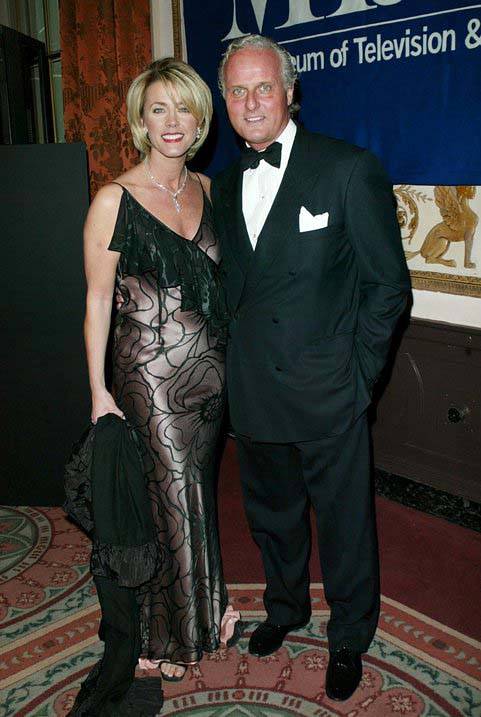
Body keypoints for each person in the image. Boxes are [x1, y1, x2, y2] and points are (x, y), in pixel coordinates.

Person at [212, 34, 411, 702]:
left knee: (344, 523)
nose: (250, 103)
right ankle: (285, 606)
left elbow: (387, 287)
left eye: (263, 87)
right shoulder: (224, 184)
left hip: (329, 389)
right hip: (254, 389)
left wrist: (359, 377)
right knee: (272, 516)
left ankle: (349, 633)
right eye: (237, 91)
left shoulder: (347, 169)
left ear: (290, 92)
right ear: (225, 102)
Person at [83, 57, 236, 697]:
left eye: (185, 109)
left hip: (211, 375)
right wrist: (98, 390)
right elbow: (97, 300)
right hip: (147, 374)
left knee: (194, 490)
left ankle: (203, 609)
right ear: (140, 121)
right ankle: (166, 636)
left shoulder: (209, 189)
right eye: (158, 109)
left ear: (201, 119)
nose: (173, 122)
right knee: (169, 492)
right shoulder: (112, 200)